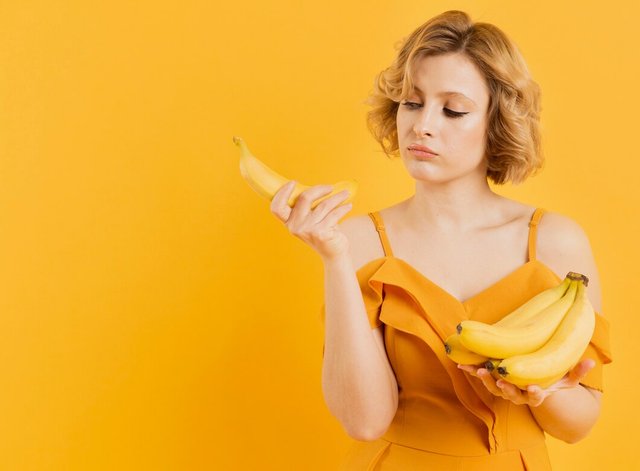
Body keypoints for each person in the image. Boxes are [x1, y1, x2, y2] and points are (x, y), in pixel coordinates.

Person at [269, 10, 612, 470]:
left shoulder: (555, 242)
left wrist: (545, 393)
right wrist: (334, 258)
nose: (423, 125)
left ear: (496, 122)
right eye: (412, 103)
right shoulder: (358, 239)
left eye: (453, 110)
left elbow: (578, 425)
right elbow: (365, 422)